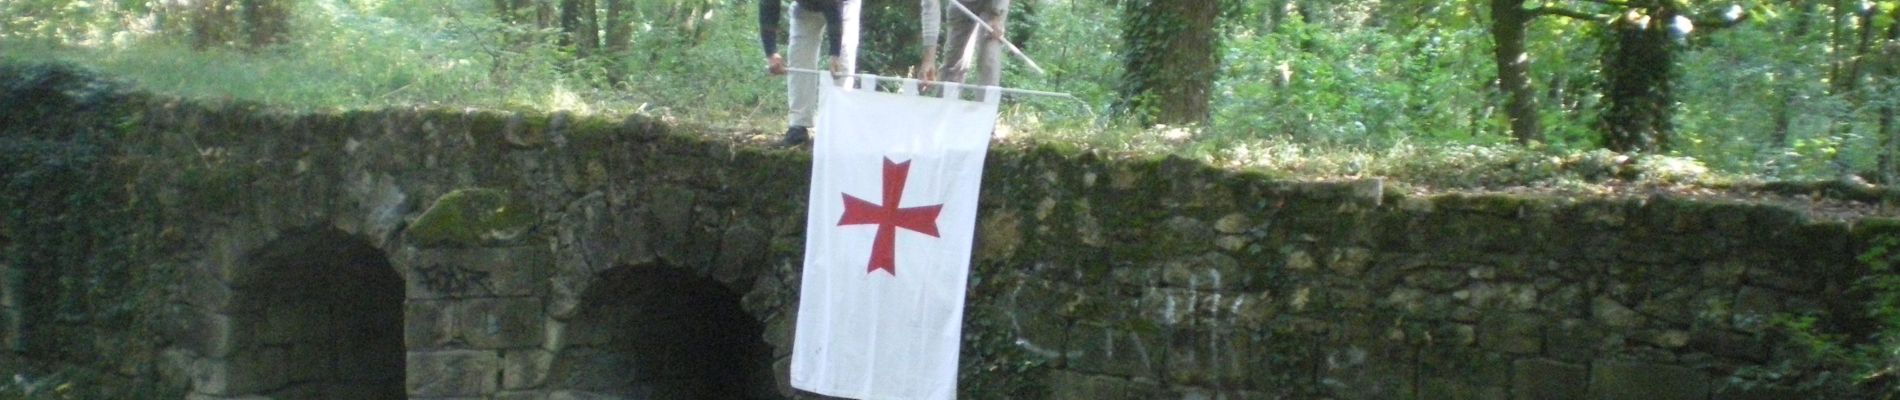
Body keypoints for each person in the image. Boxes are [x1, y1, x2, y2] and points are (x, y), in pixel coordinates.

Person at [760, 0, 861, 146]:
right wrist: (771, 52)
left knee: (842, 66)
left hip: (842, 6)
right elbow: (768, 6)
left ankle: (837, 128)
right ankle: (798, 127)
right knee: (799, 58)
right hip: (804, 8)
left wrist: (834, 53)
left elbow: (833, 8)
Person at [919, 0, 1010, 98]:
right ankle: (942, 107)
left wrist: (996, 16)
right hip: (959, 3)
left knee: (989, 59)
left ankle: (984, 110)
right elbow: (930, 9)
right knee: (952, 63)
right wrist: (929, 60)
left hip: (992, 3)